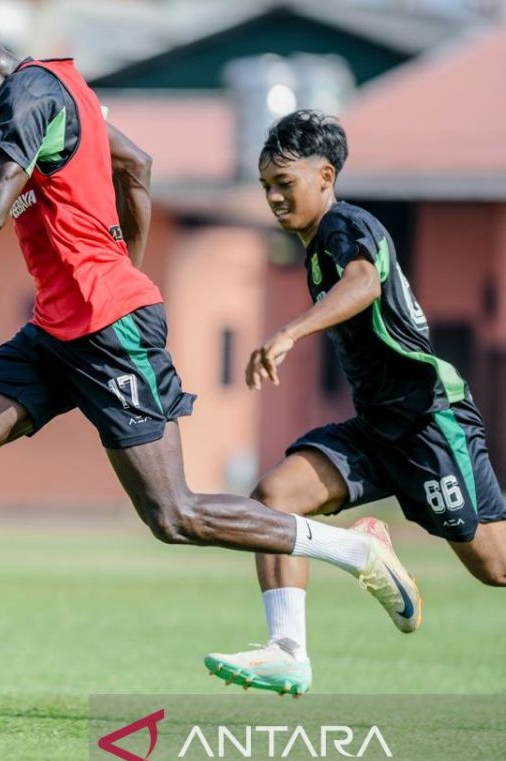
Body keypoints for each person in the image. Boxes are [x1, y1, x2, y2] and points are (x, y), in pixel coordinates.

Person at [0, 5, 422, 704]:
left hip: (108, 328)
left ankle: (357, 551)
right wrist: (125, 262)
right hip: (60, 328)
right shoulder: (61, 90)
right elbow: (135, 163)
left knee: (173, 516)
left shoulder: (25, 101)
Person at [204, 110, 506, 695]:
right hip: (377, 426)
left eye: (283, 184)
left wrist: (290, 332)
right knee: (275, 498)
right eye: (265, 184)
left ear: (325, 175)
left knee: (495, 567)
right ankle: (288, 650)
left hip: (429, 421)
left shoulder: (345, 225)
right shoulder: (316, 247)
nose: (272, 196)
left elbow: (364, 283)